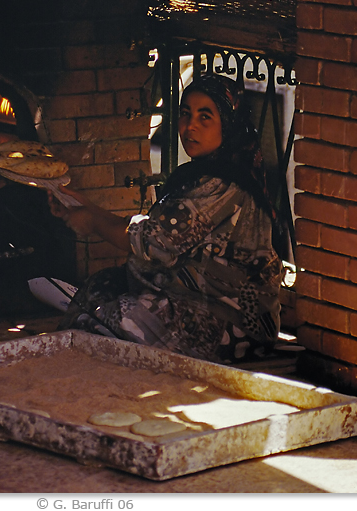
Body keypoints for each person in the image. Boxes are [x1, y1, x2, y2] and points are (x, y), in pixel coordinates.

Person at [47, 73, 283, 364]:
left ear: (228, 124)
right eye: (185, 114)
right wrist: (86, 208)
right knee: (100, 287)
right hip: (190, 297)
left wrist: (93, 222)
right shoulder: (203, 173)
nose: (190, 126)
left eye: (205, 117)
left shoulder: (225, 185)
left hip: (231, 320)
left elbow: (154, 241)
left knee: (119, 319)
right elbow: (155, 229)